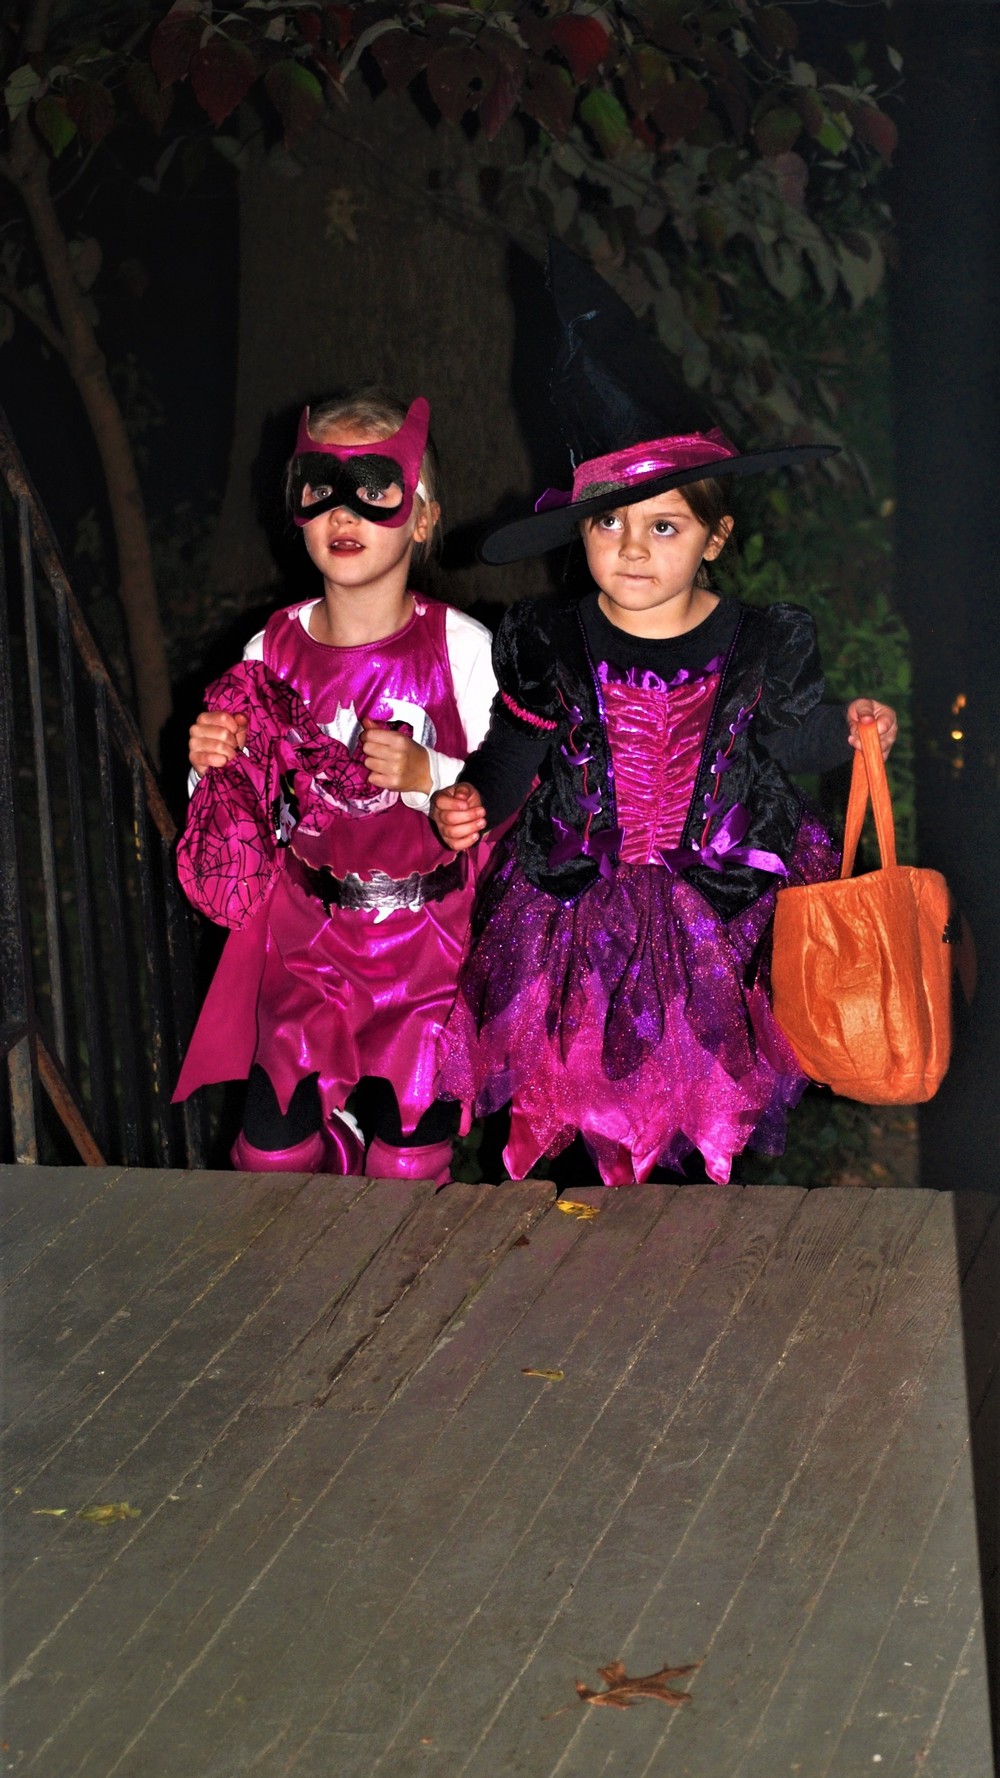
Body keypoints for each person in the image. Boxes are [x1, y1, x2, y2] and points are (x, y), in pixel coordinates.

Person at [431, 244, 897, 1188]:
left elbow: (791, 742)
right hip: (574, 920)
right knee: (584, 1129)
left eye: (664, 525)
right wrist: (474, 799)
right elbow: (517, 750)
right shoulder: (551, 639)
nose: (632, 547)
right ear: (581, 532)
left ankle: (698, 1261)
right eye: (608, 523)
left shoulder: (760, 641)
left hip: (720, 922)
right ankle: (584, 1259)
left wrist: (853, 733)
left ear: (715, 536)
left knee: (706, 1128)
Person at [173, 390, 497, 1183]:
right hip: (307, 947)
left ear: (421, 517)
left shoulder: (462, 648)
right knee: (270, 1157)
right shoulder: (269, 650)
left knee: (408, 1170)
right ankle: (333, 1160)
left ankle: (375, 1183)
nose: (343, 511)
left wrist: (431, 779)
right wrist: (210, 763)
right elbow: (235, 812)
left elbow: (511, 790)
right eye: (320, 487)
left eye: (376, 488)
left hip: (433, 955)